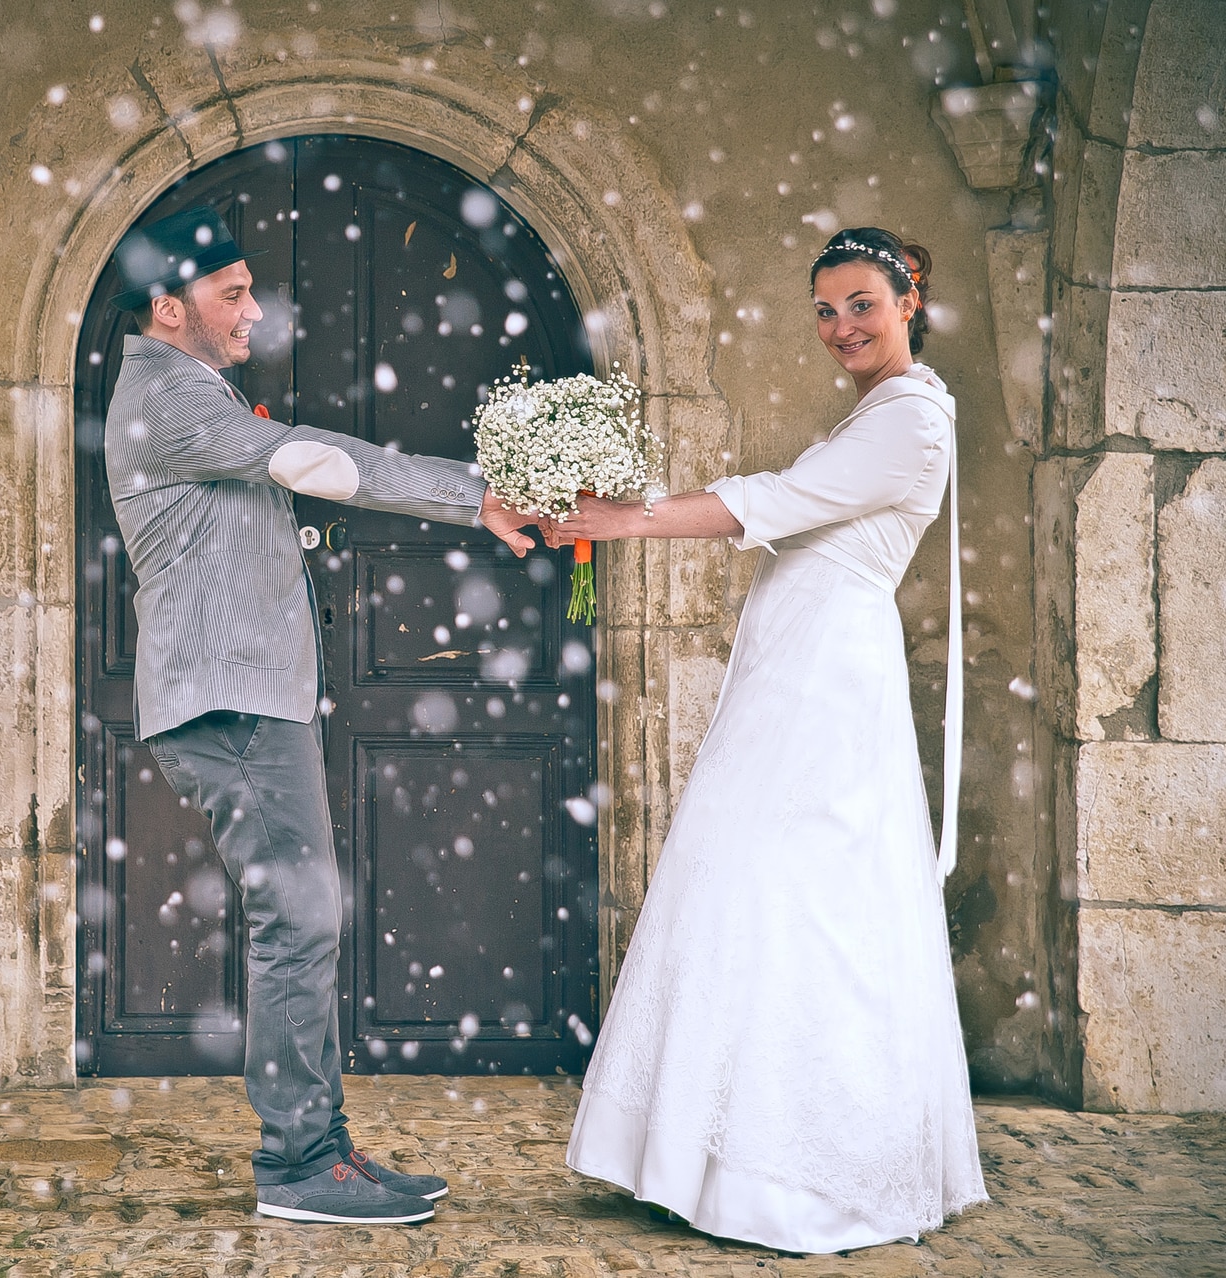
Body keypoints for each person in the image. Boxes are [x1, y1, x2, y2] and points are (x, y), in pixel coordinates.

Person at [551, 227, 988, 1253]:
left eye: (862, 306)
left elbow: (778, 504)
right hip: (797, 666)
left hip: (828, 683)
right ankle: (704, 1153)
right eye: (826, 310)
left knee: (794, 895)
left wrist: (625, 520)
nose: (841, 326)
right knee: (745, 886)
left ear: (909, 301)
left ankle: (799, 1173)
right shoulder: (877, 413)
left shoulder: (914, 421)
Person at [100, 205, 538, 1225]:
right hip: (229, 704)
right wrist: (476, 495)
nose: (257, 310)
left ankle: (322, 1146)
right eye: (232, 294)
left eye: (253, 290)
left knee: (301, 921)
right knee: (298, 922)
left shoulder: (191, 388)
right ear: (170, 310)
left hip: (247, 699)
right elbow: (317, 460)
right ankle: (299, 1165)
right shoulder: (167, 399)